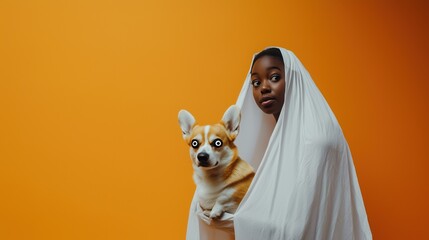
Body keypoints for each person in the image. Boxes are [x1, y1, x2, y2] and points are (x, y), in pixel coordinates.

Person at [185, 47, 372, 240]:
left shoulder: (317, 138)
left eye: (274, 77)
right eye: (256, 83)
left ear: (293, 79)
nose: (263, 88)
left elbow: (302, 221)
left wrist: (234, 220)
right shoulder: (274, 133)